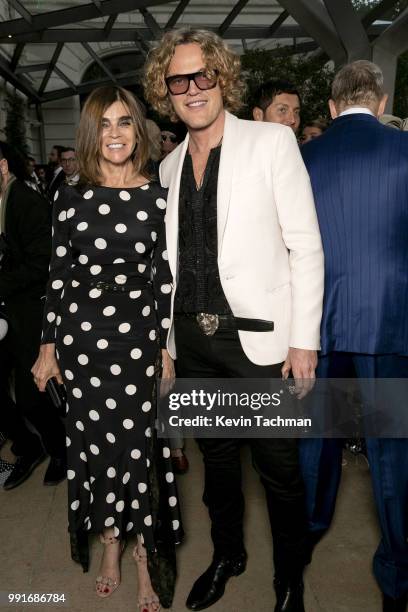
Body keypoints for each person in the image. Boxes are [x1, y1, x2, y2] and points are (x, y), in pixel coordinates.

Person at [145, 28, 324, 612]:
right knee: (217, 470)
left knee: (279, 474)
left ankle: (289, 578)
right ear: (165, 91)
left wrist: (304, 341)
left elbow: (306, 246)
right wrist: (167, 343)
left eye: (204, 75)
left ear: (222, 77)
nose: (193, 89)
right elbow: (165, 269)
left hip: (262, 346)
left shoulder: (272, 141)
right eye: (179, 80)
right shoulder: (167, 168)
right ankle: (228, 555)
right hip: (194, 348)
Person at [32, 86, 182, 612]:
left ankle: (144, 556)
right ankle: (111, 548)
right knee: (95, 449)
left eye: (124, 122)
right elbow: (58, 274)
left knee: (139, 448)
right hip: (82, 339)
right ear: (90, 132)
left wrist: (166, 346)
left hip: (138, 338)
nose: (114, 134)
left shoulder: (159, 196)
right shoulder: (69, 194)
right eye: (104, 124)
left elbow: (164, 278)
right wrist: (47, 346)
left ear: (137, 129)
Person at [300, 60, 408, 612]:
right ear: (382, 102)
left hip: (318, 325)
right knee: (392, 455)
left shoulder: (305, 157)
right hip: (390, 322)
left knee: (317, 442)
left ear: (331, 107)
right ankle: (397, 578)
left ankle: (304, 539)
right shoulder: (406, 151)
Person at [0, 141, 66, 491]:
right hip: (7, 311)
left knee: (32, 396)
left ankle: (59, 451)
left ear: (2, 166)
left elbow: (44, 265)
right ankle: (27, 445)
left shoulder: (27, 203)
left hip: (29, 313)